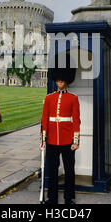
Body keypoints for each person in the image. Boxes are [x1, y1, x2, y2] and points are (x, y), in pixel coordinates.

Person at [40, 59, 80, 204]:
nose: (60, 82)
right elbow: (44, 119)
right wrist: (43, 139)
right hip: (51, 140)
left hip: (67, 139)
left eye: (62, 80)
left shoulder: (73, 98)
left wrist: (75, 141)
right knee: (52, 170)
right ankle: (52, 198)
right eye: (58, 79)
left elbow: (76, 120)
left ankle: (69, 198)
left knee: (69, 170)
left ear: (66, 81)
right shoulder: (49, 98)